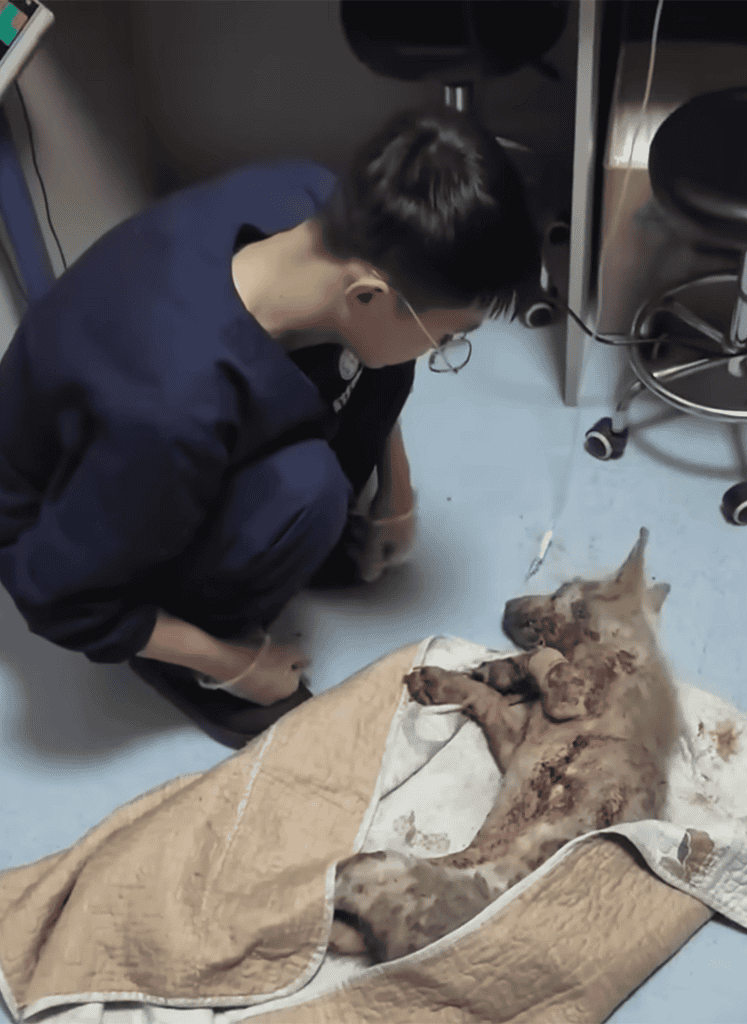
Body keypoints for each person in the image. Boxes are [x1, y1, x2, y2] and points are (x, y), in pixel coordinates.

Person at [0, 104, 541, 748]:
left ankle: (282, 551)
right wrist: (236, 666)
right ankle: (200, 642)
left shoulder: (311, 200)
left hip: (148, 435)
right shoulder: (171, 410)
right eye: (446, 338)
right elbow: (56, 597)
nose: (439, 350)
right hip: (68, 527)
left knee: (374, 361)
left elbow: (375, 358)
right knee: (306, 492)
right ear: (368, 296)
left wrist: (398, 491)